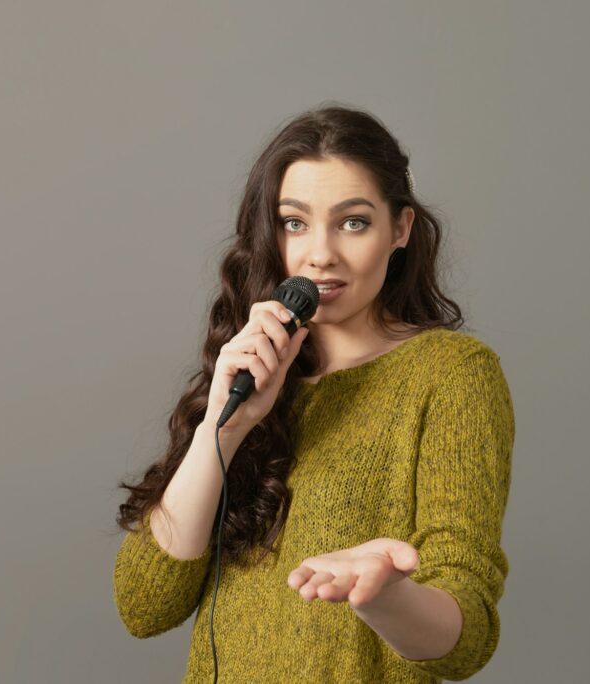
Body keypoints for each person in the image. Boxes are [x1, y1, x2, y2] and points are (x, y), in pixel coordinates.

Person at [112, 103, 515, 683]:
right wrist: (223, 432)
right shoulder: (254, 374)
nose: (319, 253)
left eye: (353, 222)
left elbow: (467, 635)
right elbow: (143, 605)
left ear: (400, 228)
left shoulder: (451, 376)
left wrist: (383, 598)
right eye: (294, 223)